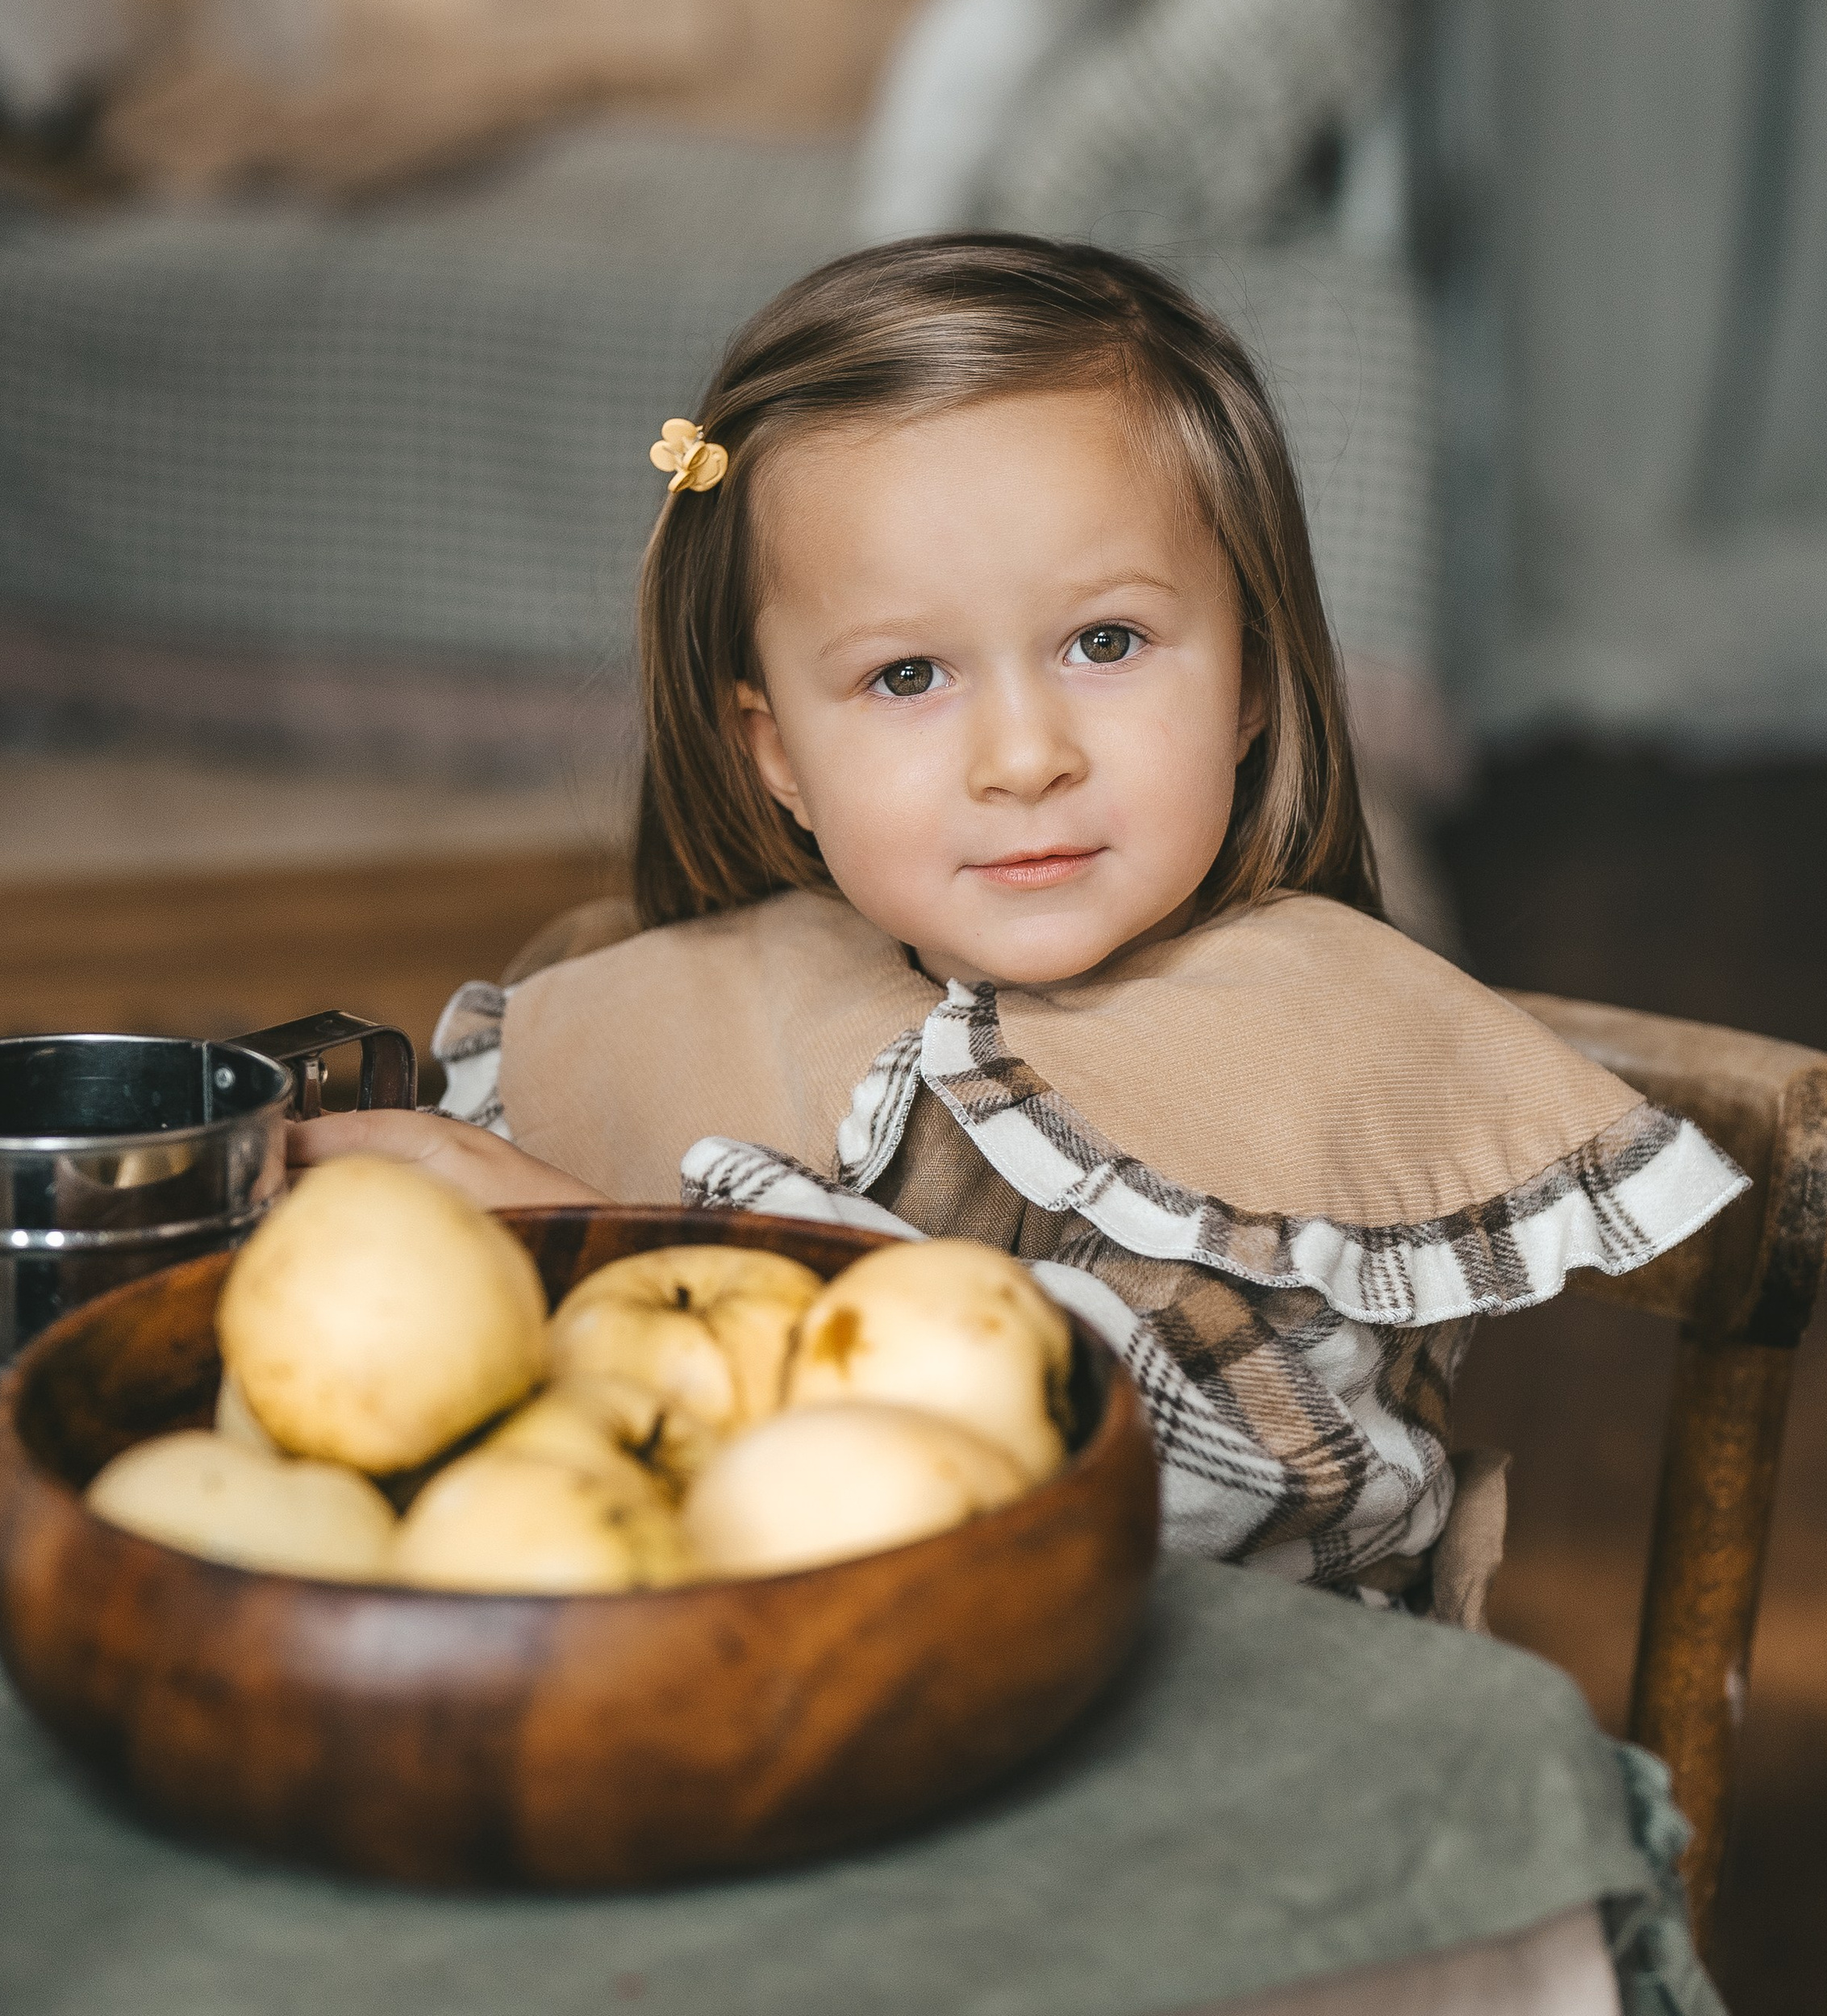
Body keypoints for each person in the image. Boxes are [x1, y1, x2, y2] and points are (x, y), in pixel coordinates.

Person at [298, 235, 1742, 1603]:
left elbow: (1176, 1464)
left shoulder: (1318, 1045)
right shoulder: (672, 996)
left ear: (1249, 678)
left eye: (1105, 643)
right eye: (909, 676)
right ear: (777, 753)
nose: (1024, 754)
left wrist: (594, 1247)